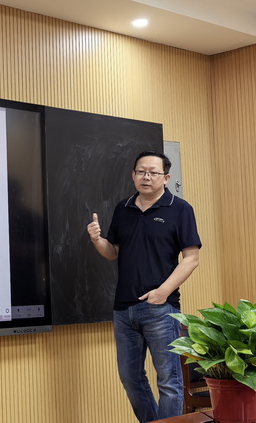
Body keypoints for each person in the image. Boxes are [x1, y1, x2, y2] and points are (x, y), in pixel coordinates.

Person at [86, 150, 201, 423]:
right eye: (141, 171)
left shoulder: (180, 209)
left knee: (169, 381)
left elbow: (192, 258)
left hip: (161, 308)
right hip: (123, 309)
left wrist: (162, 292)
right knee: (130, 378)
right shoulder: (123, 208)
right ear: (133, 175)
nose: (146, 177)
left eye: (153, 172)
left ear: (166, 178)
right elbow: (113, 252)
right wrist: (97, 240)